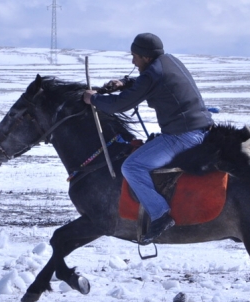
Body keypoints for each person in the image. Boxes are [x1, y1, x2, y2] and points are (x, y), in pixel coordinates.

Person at [83, 32, 213, 245]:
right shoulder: (169, 61)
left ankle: (161, 215)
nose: (133, 60)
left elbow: (119, 106)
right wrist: (124, 83)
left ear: (145, 57)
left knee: (131, 167)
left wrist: (94, 99)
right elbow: (146, 82)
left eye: (134, 56)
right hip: (199, 129)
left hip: (183, 136)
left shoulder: (153, 74)